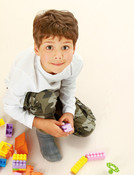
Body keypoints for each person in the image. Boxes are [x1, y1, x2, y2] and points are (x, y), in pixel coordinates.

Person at [3, 9, 96, 162]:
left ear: (74, 49)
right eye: (49, 47)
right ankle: (43, 134)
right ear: (36, 49)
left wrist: (69, 112)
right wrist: (41, 124)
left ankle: (53, 111)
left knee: (87, 127)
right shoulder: (24, 74)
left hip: (53, 92)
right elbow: (10, 106)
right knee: (46, 98)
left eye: (65, 47)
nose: (58, 56)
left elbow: (68, 86)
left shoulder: (76, 62)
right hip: (29, 94)